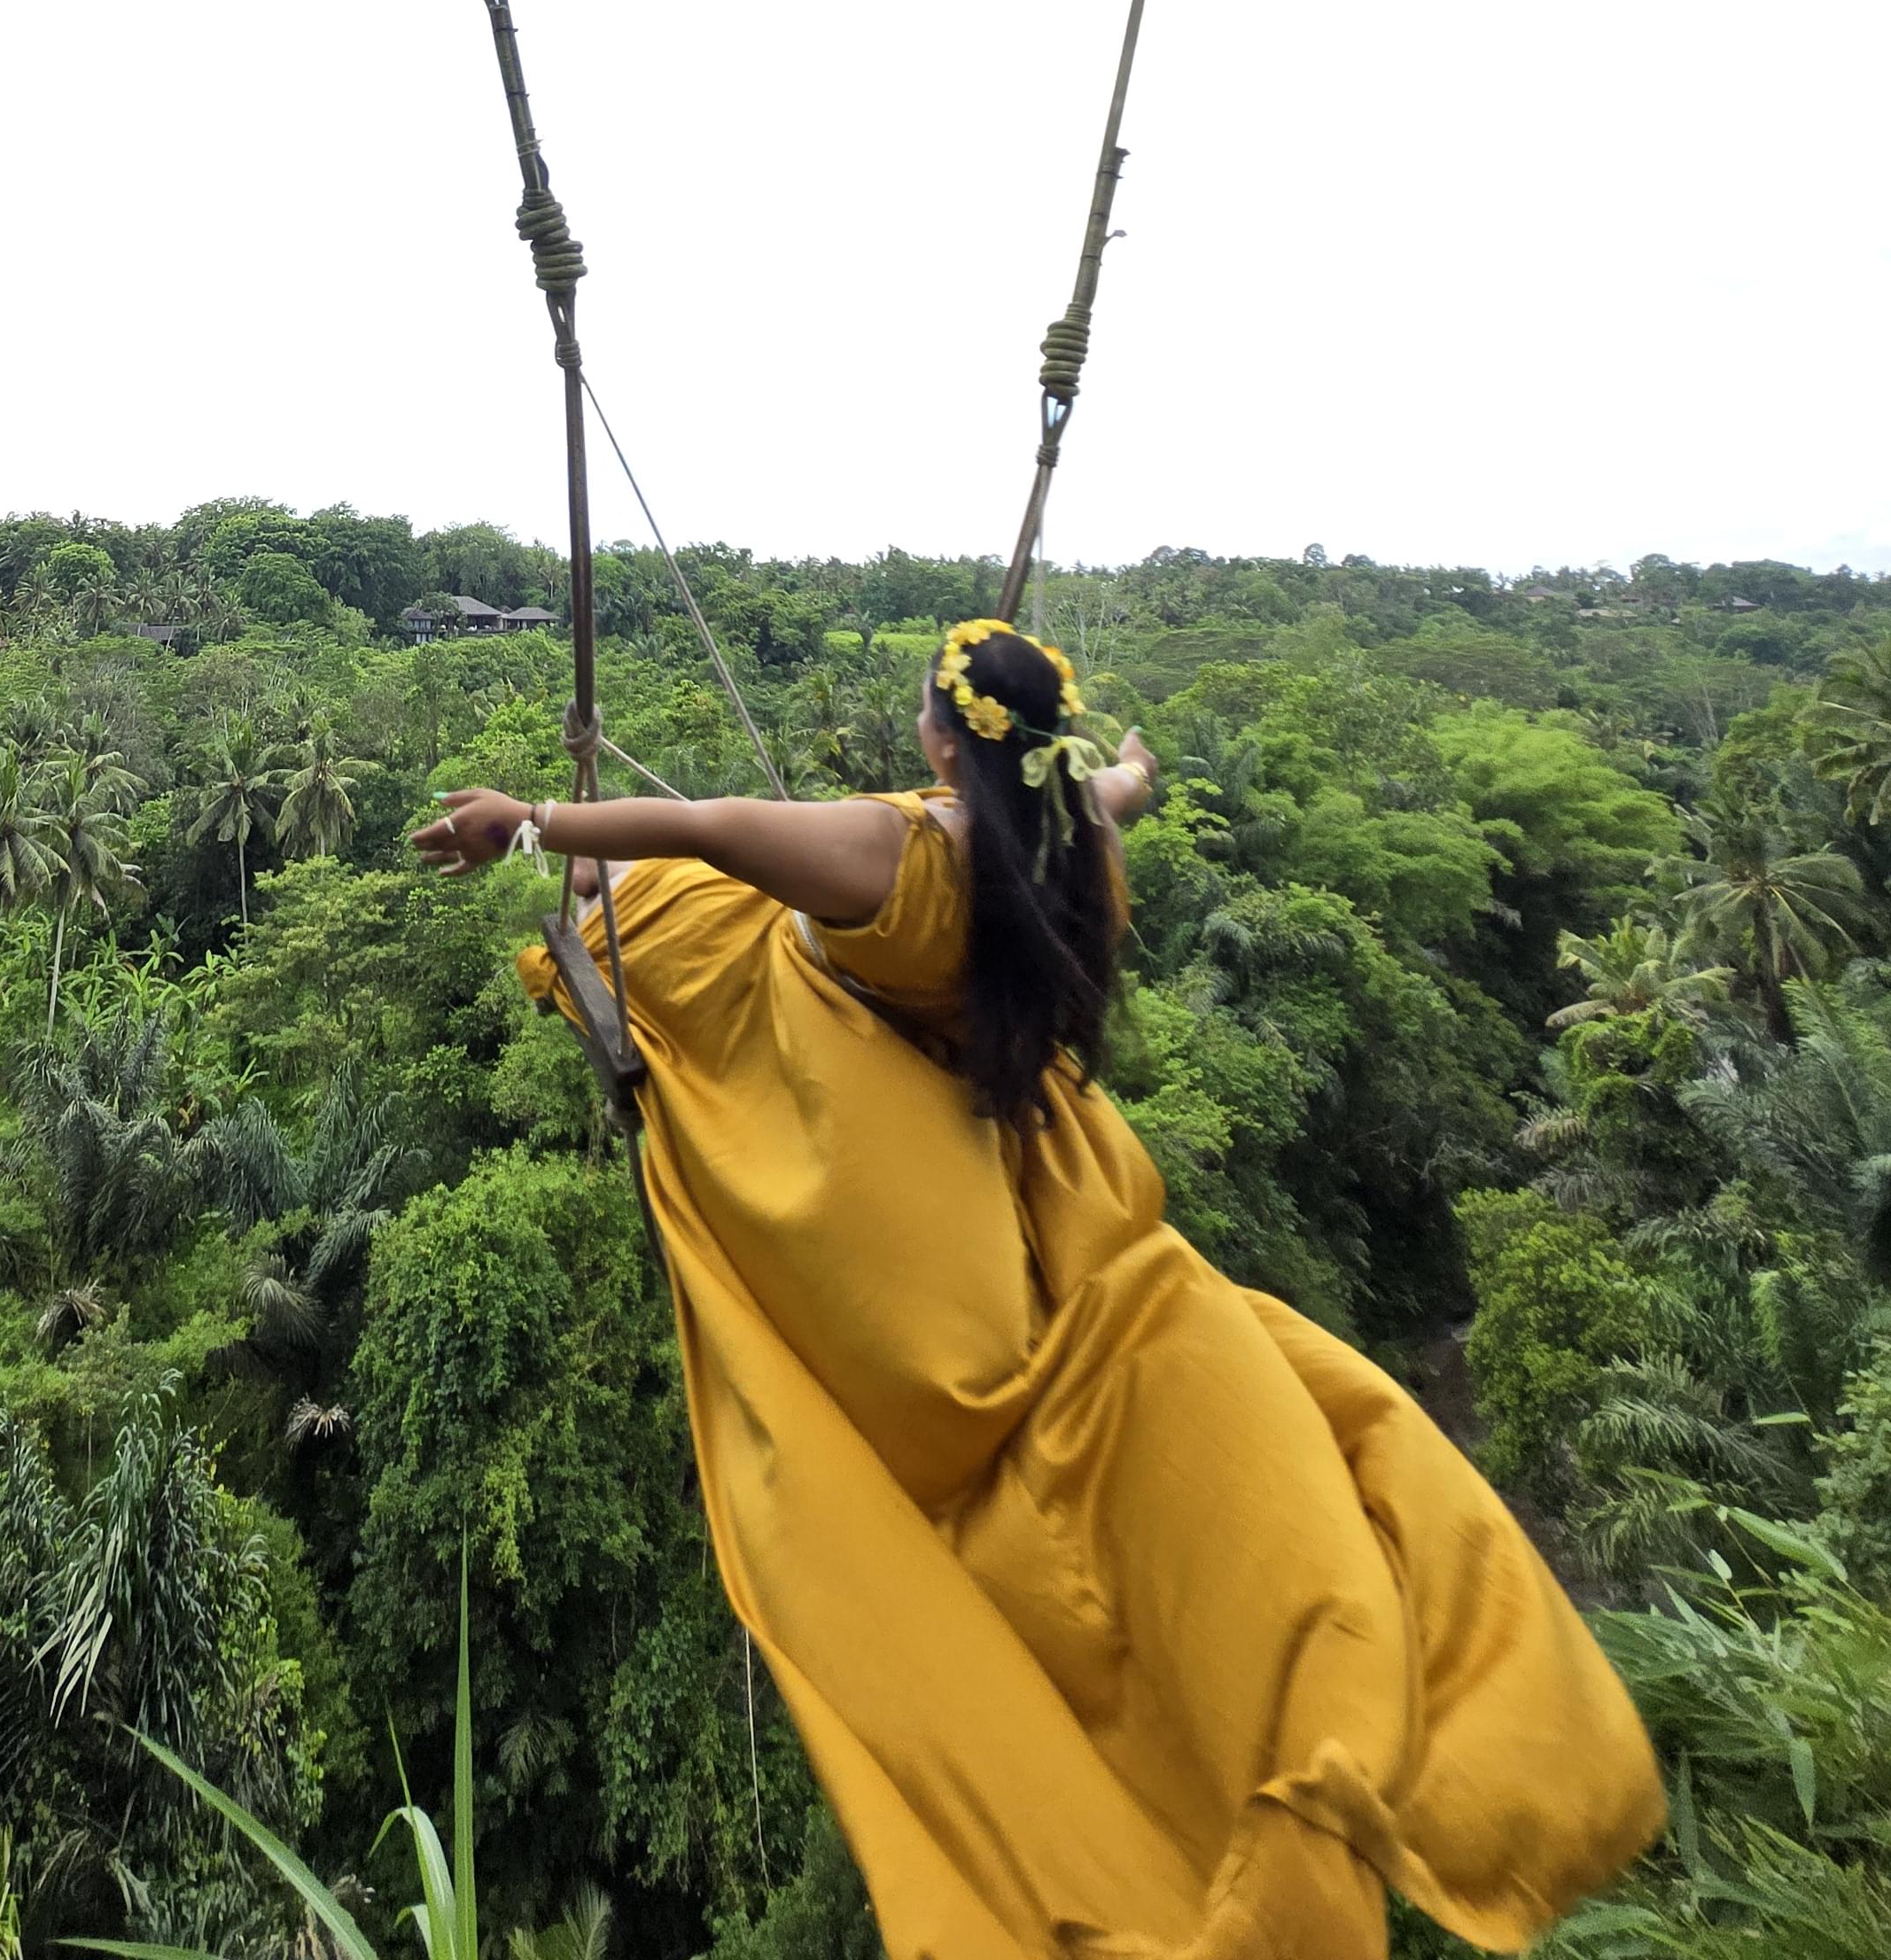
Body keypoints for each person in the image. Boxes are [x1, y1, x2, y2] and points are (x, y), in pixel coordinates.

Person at [412, 618, 1661, 1960]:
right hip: (1018, 1137)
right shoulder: (1077, 835)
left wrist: (530, 818)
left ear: (942, 737)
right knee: (668, 905)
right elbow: (1110, 791)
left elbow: (717, 824)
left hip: (855, 1087)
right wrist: (1133, 769)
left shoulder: (903, 851)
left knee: (657, 907)